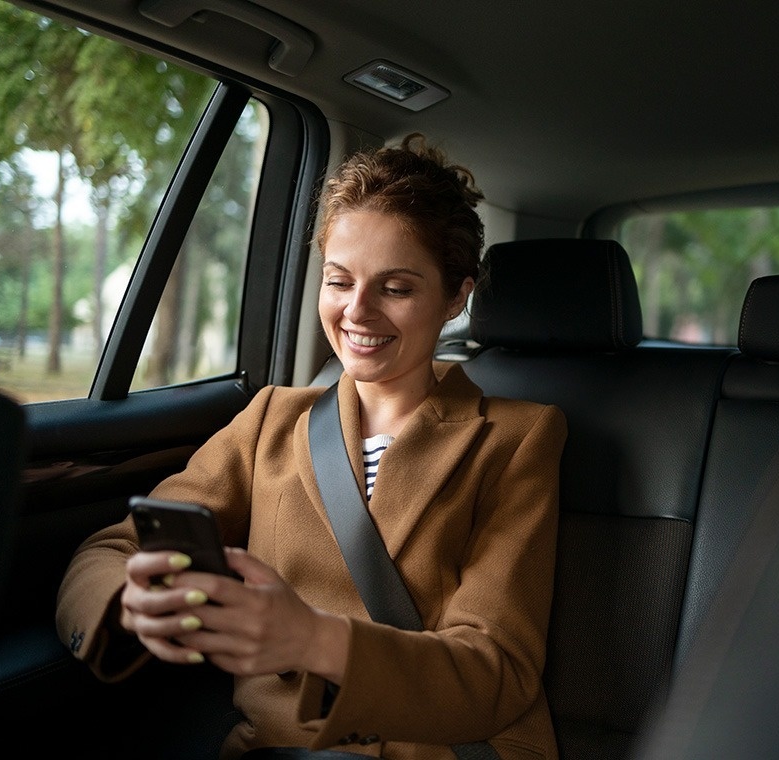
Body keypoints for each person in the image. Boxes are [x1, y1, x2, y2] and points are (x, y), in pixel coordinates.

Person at [55, 134, 567, 760]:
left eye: (397, 288)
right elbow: (110, 547)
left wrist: (312, 641)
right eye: (338, 280)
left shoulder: (519, 438)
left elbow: (498, 673)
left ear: (456, 296)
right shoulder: (273, 419)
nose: (357, 311)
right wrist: (130, 601)